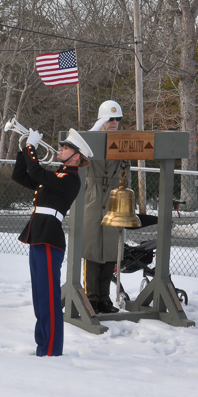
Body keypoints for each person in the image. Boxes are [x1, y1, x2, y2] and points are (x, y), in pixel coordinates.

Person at [12, 127, 93, 356]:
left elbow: (37, 172)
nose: (60, 149)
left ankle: (51, 350)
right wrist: (23, 150)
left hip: (49, 239)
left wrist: (31, 147)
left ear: (76, 157)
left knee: (49, 299)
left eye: (65, 147)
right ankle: (42, 345)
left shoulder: (70, 179)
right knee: (40, 298)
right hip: (38, 237)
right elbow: (20, 176)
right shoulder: (57, 176)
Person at [82, 100, 124, 314]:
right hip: (93, 194)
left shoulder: (124, 142)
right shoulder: (92, 139)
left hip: (114, 194)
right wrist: (95, 130)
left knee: (109, 249)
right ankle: (91, 297)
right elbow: (77, 146)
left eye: (118, 119)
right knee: (91, 247)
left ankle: (104, 297)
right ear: (102, 121)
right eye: (110, 119)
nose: (115, 122)